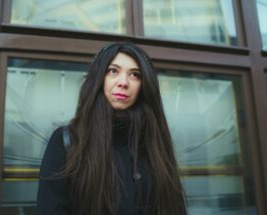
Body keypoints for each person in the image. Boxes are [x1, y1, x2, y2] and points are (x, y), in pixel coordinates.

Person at [37, 42, 187, 215]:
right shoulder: (67, 141)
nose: (123, 82)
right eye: (113, 71)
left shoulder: (153, 142)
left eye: (135, 75)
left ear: (144, 85)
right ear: (99, 78)